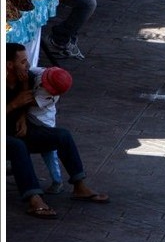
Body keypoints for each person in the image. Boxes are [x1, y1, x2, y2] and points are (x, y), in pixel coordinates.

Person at [6, 43, 109, 219]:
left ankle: (79, 186)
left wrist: (22, 116)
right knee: (17, 147)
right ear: (9, 64)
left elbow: (27, 98)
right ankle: (33, 198)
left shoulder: (26, 78)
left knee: (62, 136)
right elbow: (18, 102)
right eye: (23, 62)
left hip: (16, 130)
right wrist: (14, 105)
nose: (28, 65)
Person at [29, 66, 74, 194]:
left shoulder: (51, 96)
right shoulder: (41, 72)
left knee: (48, 152)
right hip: (30, 116)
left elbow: (28, 101)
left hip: (43, 122)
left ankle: (57, 180)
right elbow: (30, 70)